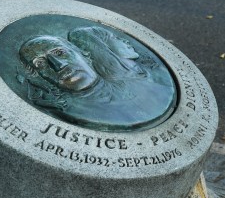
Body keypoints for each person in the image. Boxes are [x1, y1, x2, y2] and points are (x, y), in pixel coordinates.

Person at [16, 30, 176, 131]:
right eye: (40, 64)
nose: (58, 65)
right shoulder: (69, 111)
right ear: (40, 76)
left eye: (60, 53)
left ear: (82, 52)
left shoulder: (150, 85)